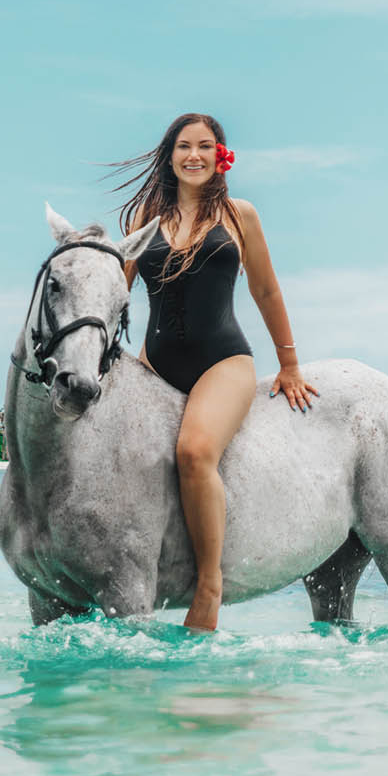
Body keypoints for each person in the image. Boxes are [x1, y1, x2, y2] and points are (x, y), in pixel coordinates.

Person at [115, 112, 316, 632]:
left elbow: (266, 290)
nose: (194, 155)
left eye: (205, 146)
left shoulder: (239, 214)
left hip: (223, 362)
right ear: (170, 155)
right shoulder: (145, 219)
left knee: (194, 451)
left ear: (221, 155)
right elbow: (115, 287)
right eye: (184, 146)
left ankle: (208, 586)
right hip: (154, 365)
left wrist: (289, 364)